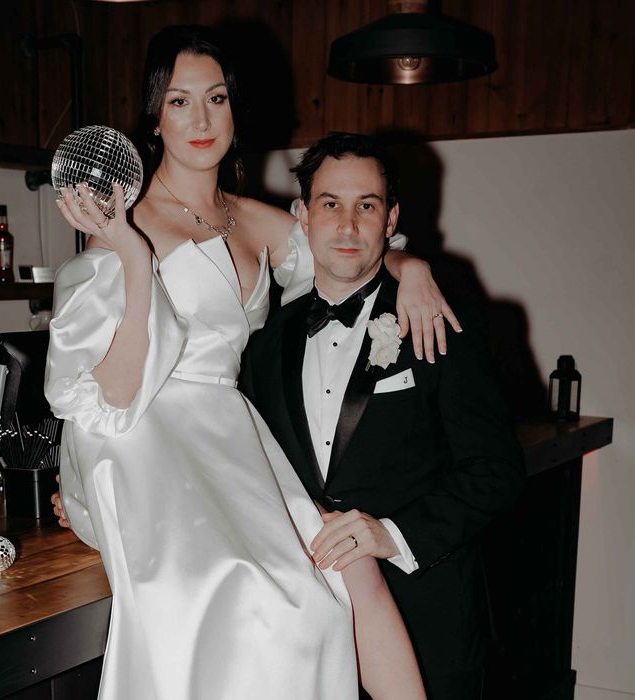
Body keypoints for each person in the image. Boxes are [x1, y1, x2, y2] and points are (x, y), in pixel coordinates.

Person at [47, 25, 450, 700]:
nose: (200, 120)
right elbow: (104, 397)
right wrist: (135, 257)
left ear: (236, 108)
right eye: (179, 102)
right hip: (142, 432)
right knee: (240, 594)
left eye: (216, 99)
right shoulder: (125, 221)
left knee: (337, 580)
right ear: (154, 114)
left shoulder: (256, 220)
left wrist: (413, 267)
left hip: (229, 429)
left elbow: (352, 246)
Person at [239, 132, 527, 700]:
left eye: (366, 205)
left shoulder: (439, 319)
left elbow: (496, 473)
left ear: (390, 217)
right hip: (307, 629)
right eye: (330, 204)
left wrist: (390, 535)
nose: (347, 226)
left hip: (429, 624)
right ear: (301, 216)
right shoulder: (261, 342)